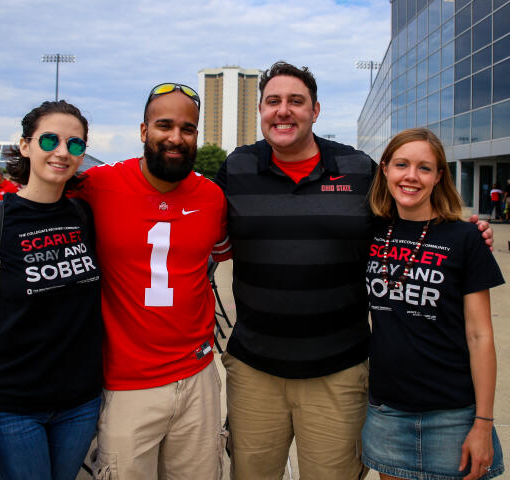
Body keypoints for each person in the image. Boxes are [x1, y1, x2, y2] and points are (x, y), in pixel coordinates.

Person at [215, 61, 493, 480]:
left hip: (339, 373)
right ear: (260, 110)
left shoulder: (359, 169)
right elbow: (196, 222)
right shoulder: (236, 169)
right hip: (255, 372)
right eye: (273, 101)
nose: (284, 110)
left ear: (316, 110)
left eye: (296, 101)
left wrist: (462, 230)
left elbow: (404, 217)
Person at [0, 84, 231, 479]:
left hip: (196, 377)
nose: (175, 137)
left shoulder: (212, 197)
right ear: (143, 131)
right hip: (124, 383)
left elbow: (232, 249)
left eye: (187, 128)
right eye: (164, 125)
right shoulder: (98, 186)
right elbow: (38, 198)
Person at [0, 100, 102, 480]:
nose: (61, 152)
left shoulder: (85, 215)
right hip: (12, 407)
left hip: (80, 402)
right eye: (50, 139)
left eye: (74, 144)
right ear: (25, 145)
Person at [363, 128, 504, 480]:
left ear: (439, 176)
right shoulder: (370, 231)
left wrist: (483, 423)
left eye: (424, 168)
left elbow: (480, 336)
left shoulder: (465, 237)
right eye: (401, 164)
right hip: (387, 413)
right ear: (385, 169)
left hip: (454, 415)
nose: (411, 176)